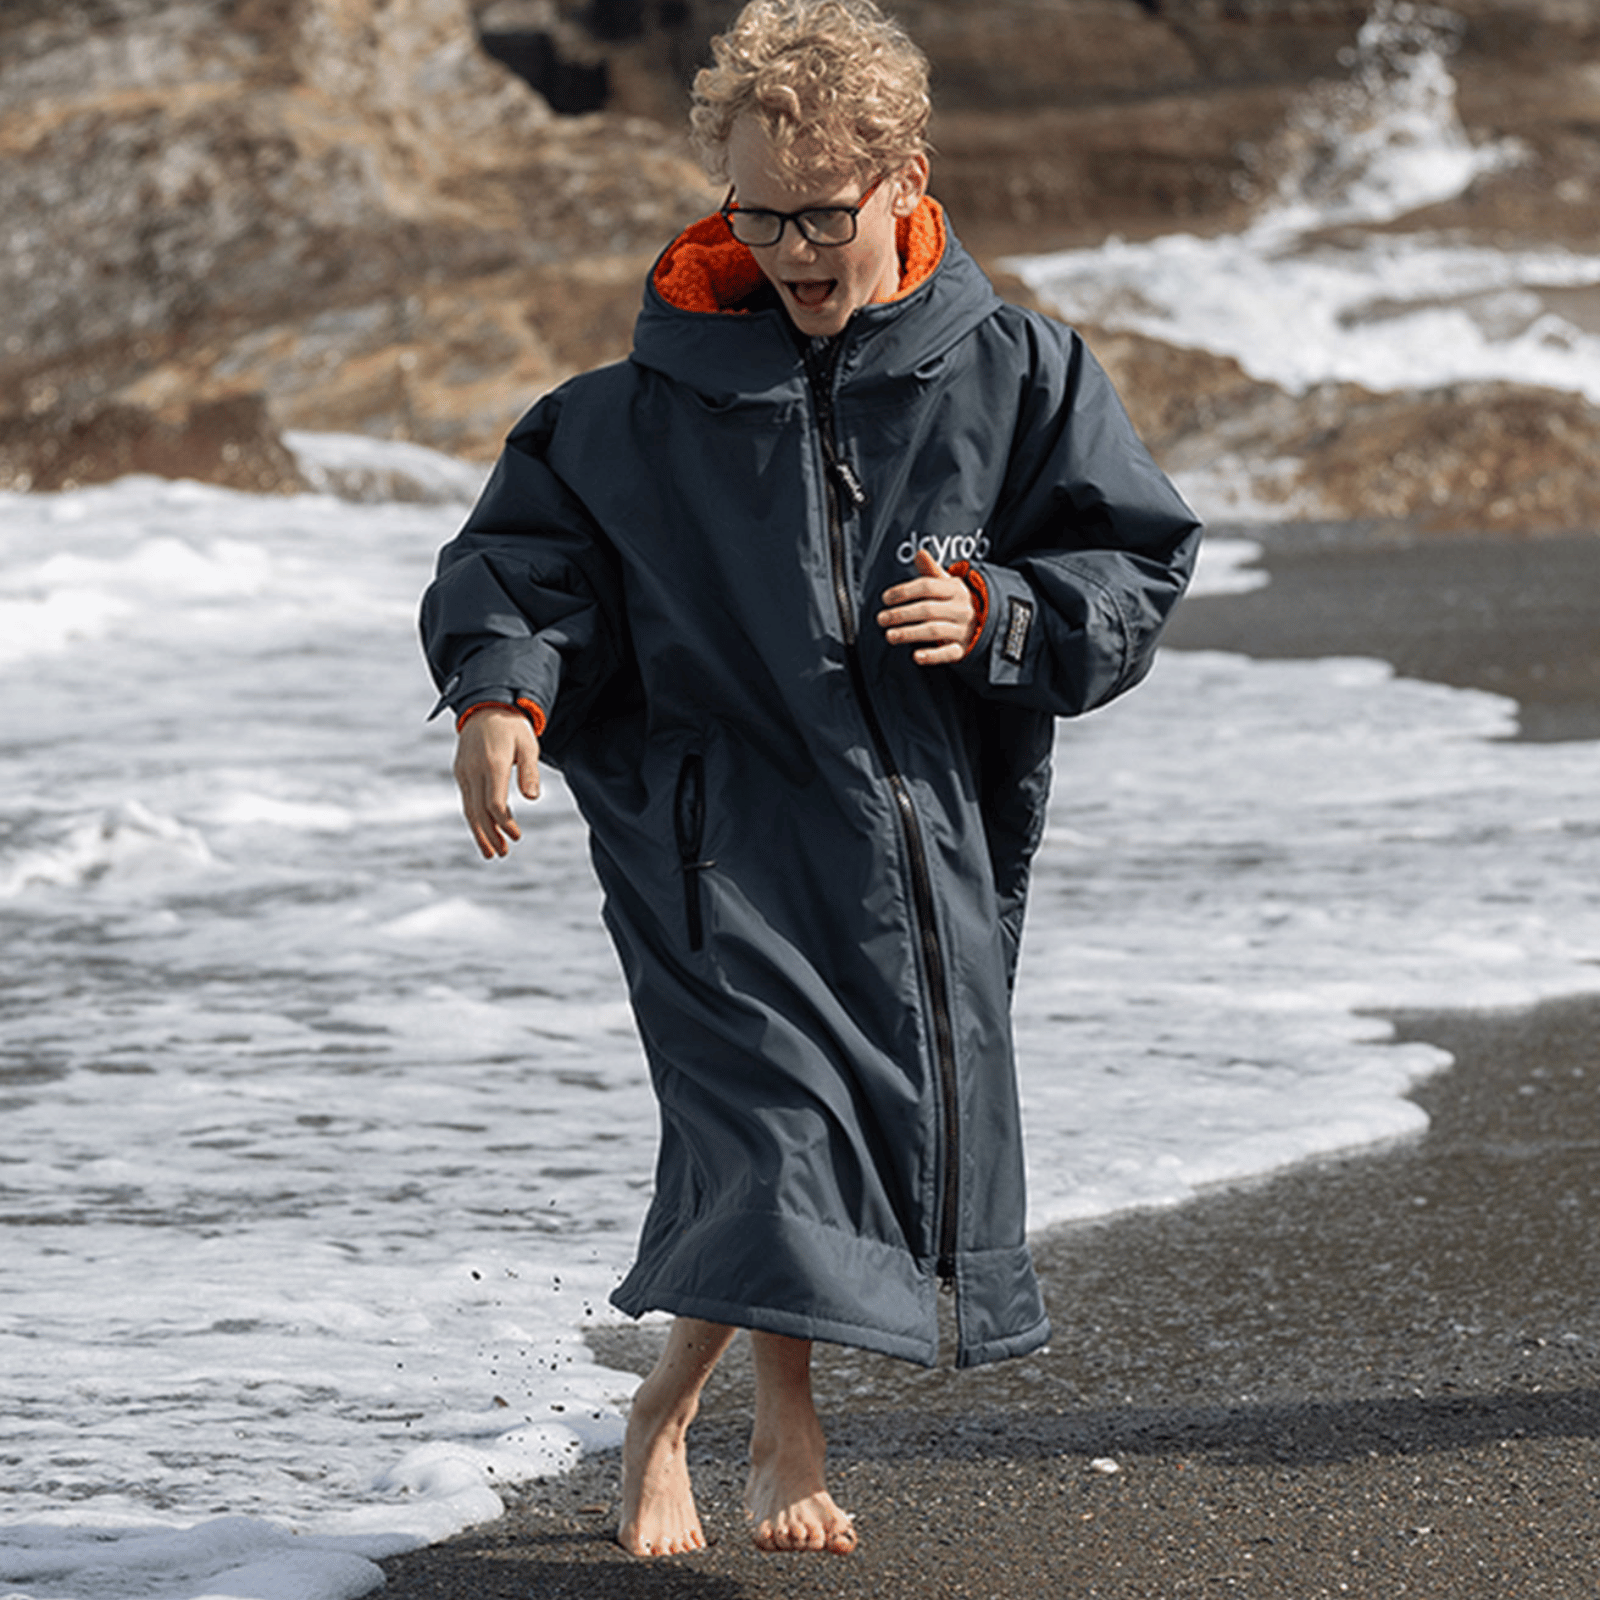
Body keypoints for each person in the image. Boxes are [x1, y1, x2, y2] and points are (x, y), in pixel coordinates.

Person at [421, 0, 1200, 1559]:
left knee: (835, 1150)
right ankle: (736, 1424)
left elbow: (1131, 567)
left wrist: (1004, 613)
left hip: (916, 851)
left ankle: (701, 1411)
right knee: (779, 1140)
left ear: (903, 181)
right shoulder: (629, 412)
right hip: (709, 841)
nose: (789, 249)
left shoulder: (1020, 374)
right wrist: (500, 693)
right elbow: (526, 564)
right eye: (758, 213)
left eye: (822, 214)